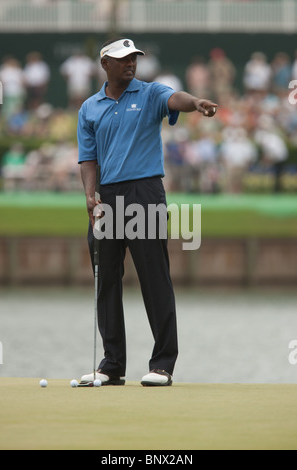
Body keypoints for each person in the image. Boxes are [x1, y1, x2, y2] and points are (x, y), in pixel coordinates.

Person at [77, 38, 217, 387]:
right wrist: (90, 195)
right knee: (105, 281)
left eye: (134, 58)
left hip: (145, 193)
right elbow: (88, 158)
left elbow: (176, 99)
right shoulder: (89, 108)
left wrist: (196, 102)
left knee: (154, 279)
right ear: (105, 64)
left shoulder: (151, 93)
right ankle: (112, 366)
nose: (131, 64)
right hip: (107, 199)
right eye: (123, 59)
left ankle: (163, 365)